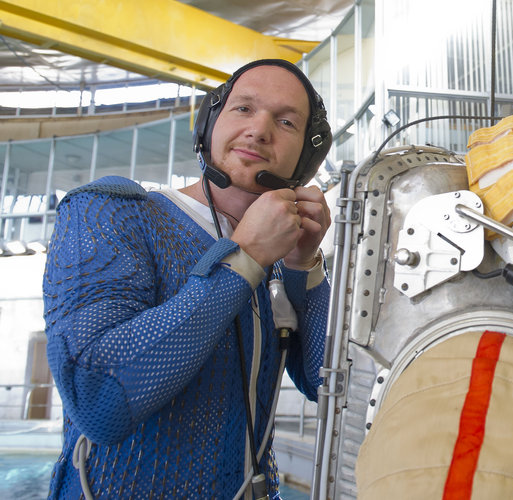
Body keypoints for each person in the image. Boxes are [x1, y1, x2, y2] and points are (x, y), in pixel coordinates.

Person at [43, 59, 333, 499]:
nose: (259, 130)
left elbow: (326, 384)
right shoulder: (112, 212)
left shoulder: (281, 251)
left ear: (307, 157)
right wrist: (246, 258)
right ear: (210, 122)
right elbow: (96, 396)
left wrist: (303, 265)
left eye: (286, 121)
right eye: (243, 109)